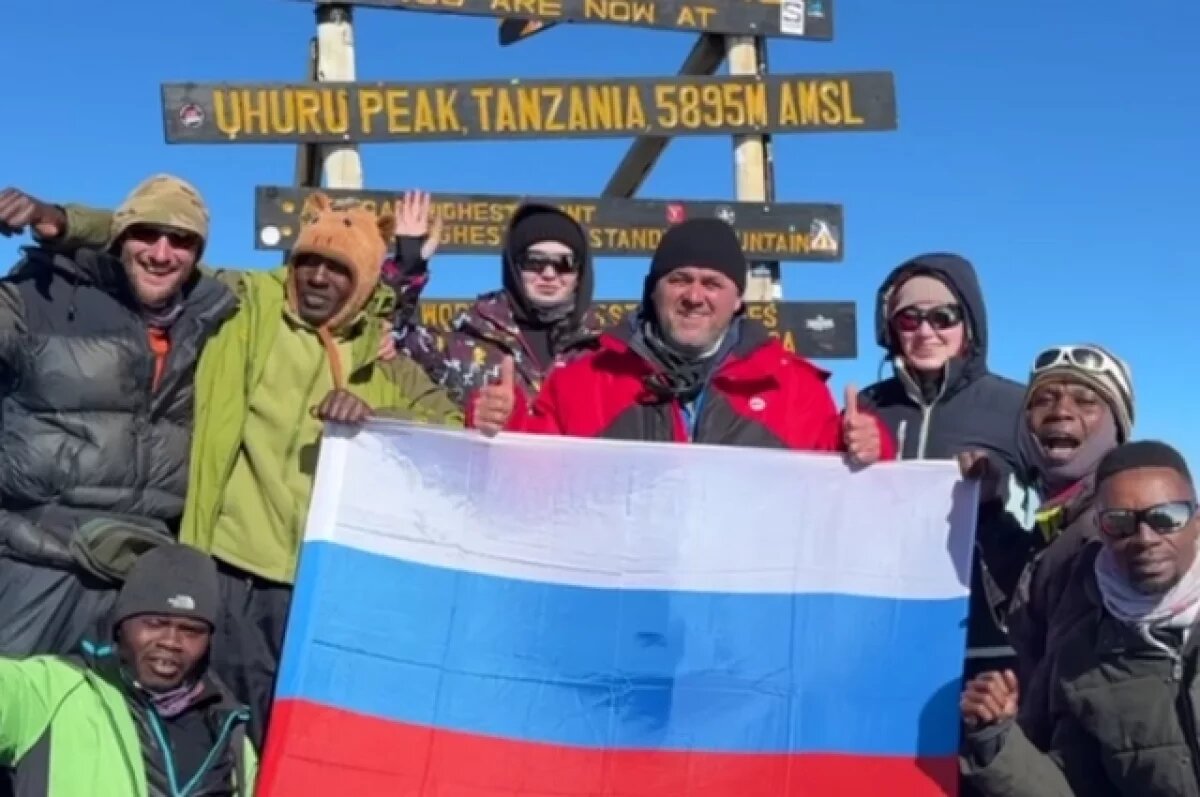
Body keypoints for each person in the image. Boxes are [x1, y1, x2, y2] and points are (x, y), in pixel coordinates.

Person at [175, 192, 464, 746]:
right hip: (234, 567)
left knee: (307, 734)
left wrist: (375, 416)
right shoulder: (246, 305)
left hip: (325, 581)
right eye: (309, 261)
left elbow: (448, 428)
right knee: (226, 732)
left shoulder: (380, 352)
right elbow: (168, 251)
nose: (317, 277)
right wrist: (64, 221)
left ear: (360, 283)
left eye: (337, 269)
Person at [0, 176, 237, 657]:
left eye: (181, 240)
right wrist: (60, 219)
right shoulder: (36, 298)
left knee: (109, 727)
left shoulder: (216, 318)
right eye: (145, 233)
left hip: (141, 580)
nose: (161, 252)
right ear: (119, 237)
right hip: (37, 561)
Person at [493, 217, 891, 461]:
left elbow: (848, 499)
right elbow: (528, 484)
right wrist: (502, 424)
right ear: (653, 290)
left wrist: (872, 446)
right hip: (618, 593)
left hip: (740, 594)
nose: (694, 296)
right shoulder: (580, 382)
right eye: (679, 279)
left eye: (712, 283)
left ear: (738, 300)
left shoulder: (794, 389)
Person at [961, 440, 1200, 797]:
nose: (1145, 538)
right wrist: (997, 739)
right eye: (1120, 522)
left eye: (1167, 518)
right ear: (1101, 529)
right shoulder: (1081, 653)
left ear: (1196, 521)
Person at [860, 253, 1030, 677]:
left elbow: (1060, 502)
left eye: (943, 317)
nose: (925, 331)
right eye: (909, 319)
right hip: (887, 627)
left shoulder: (1016, 406)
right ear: (890, 330)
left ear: (968, 324)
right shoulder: (867, 406)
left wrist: (997, 490)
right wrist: (843, 454)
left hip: (988, 636)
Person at [0, 544, 256, 796]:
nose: (170, 641)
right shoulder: (50, 690)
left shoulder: (231, 734)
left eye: (191, 631)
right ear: (121, 625)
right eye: (155, 623)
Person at [1004, 343, 1135, 745]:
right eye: (1043, 399)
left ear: (1119, 427)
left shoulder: (1119, 531)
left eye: (1086, 401)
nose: (1061, 410)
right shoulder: (1054, 526)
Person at [386, 191, 601, 406]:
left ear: (580, 273)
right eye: (534, 261)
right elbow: (383, 341)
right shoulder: (462, 344)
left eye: (564, 263)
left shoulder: (605, 355)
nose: (549, 274)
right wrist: (408, 265)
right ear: (514, 268)